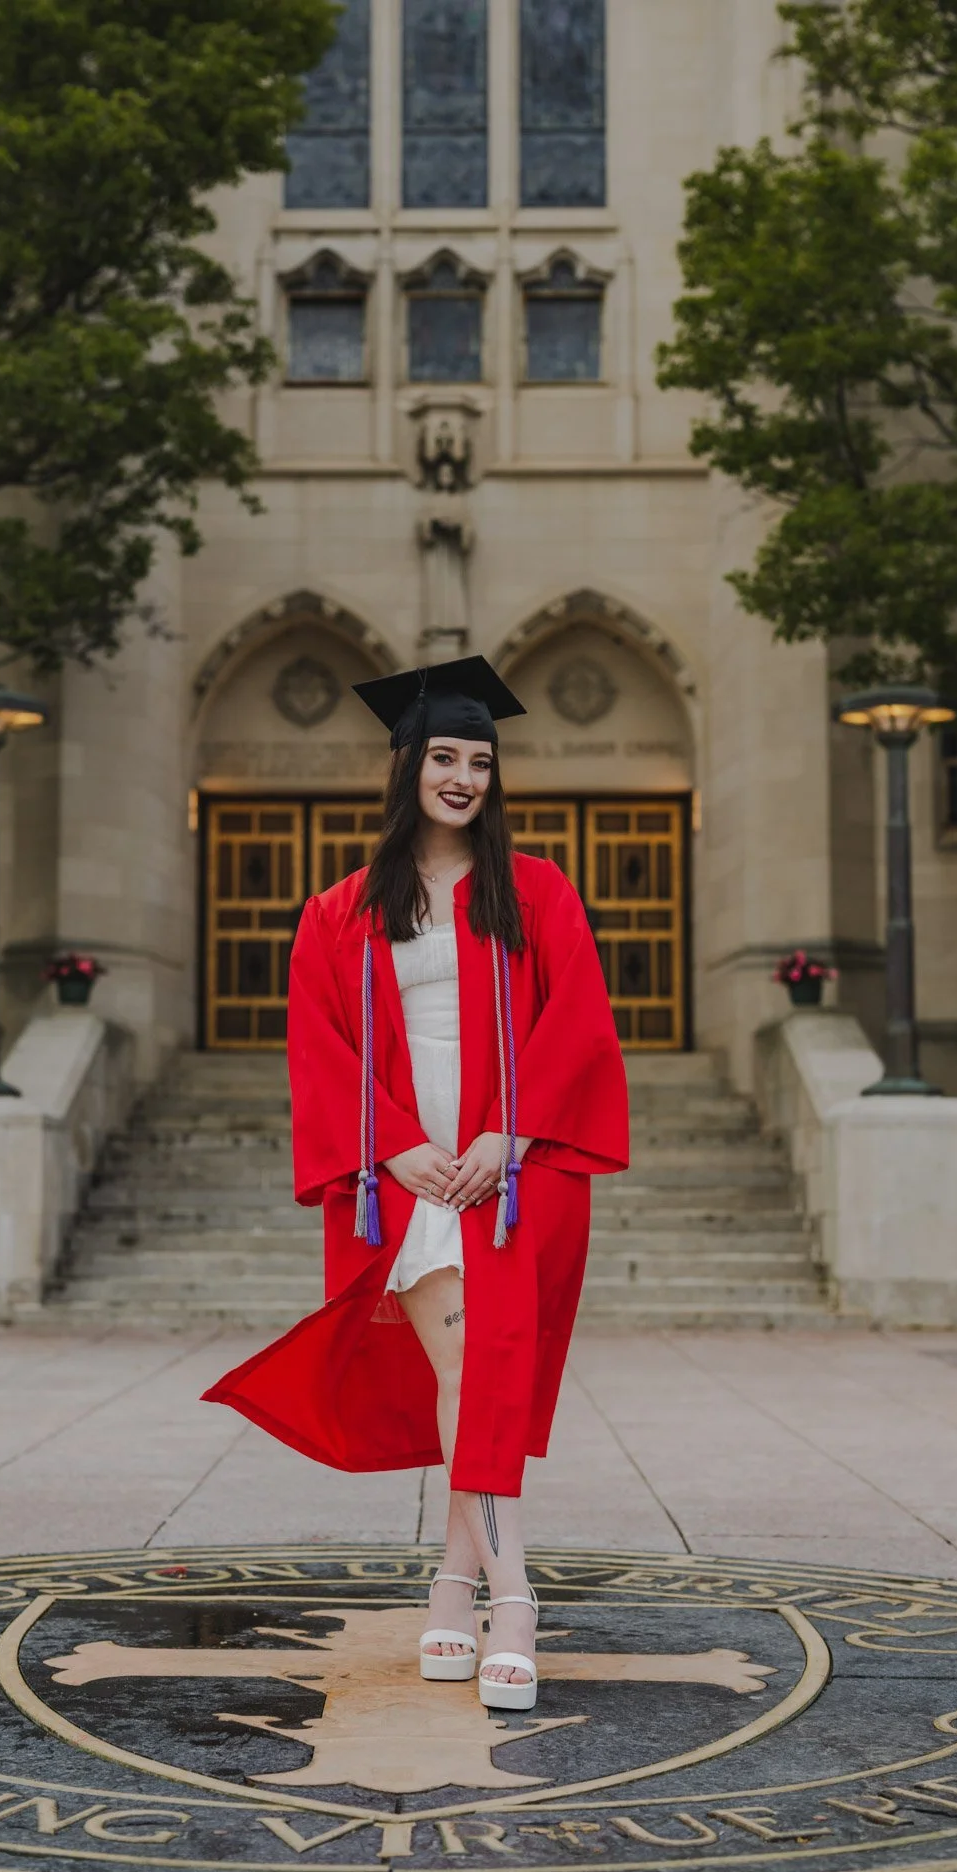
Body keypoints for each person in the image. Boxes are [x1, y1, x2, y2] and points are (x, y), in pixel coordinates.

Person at [202, 656, 629, 1712]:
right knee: (471, 1367)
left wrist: (509, 1133)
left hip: (508, 1169)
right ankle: (513, 1600)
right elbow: (319, 1046)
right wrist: (394, 1147)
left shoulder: (536, 891)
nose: (462, 778)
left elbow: (576, 1020)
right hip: (405, 1175)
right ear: (406, 766)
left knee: (480, 1373)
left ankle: (450, 1586)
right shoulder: (340, 910)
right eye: (443, 757)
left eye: (479, 761)